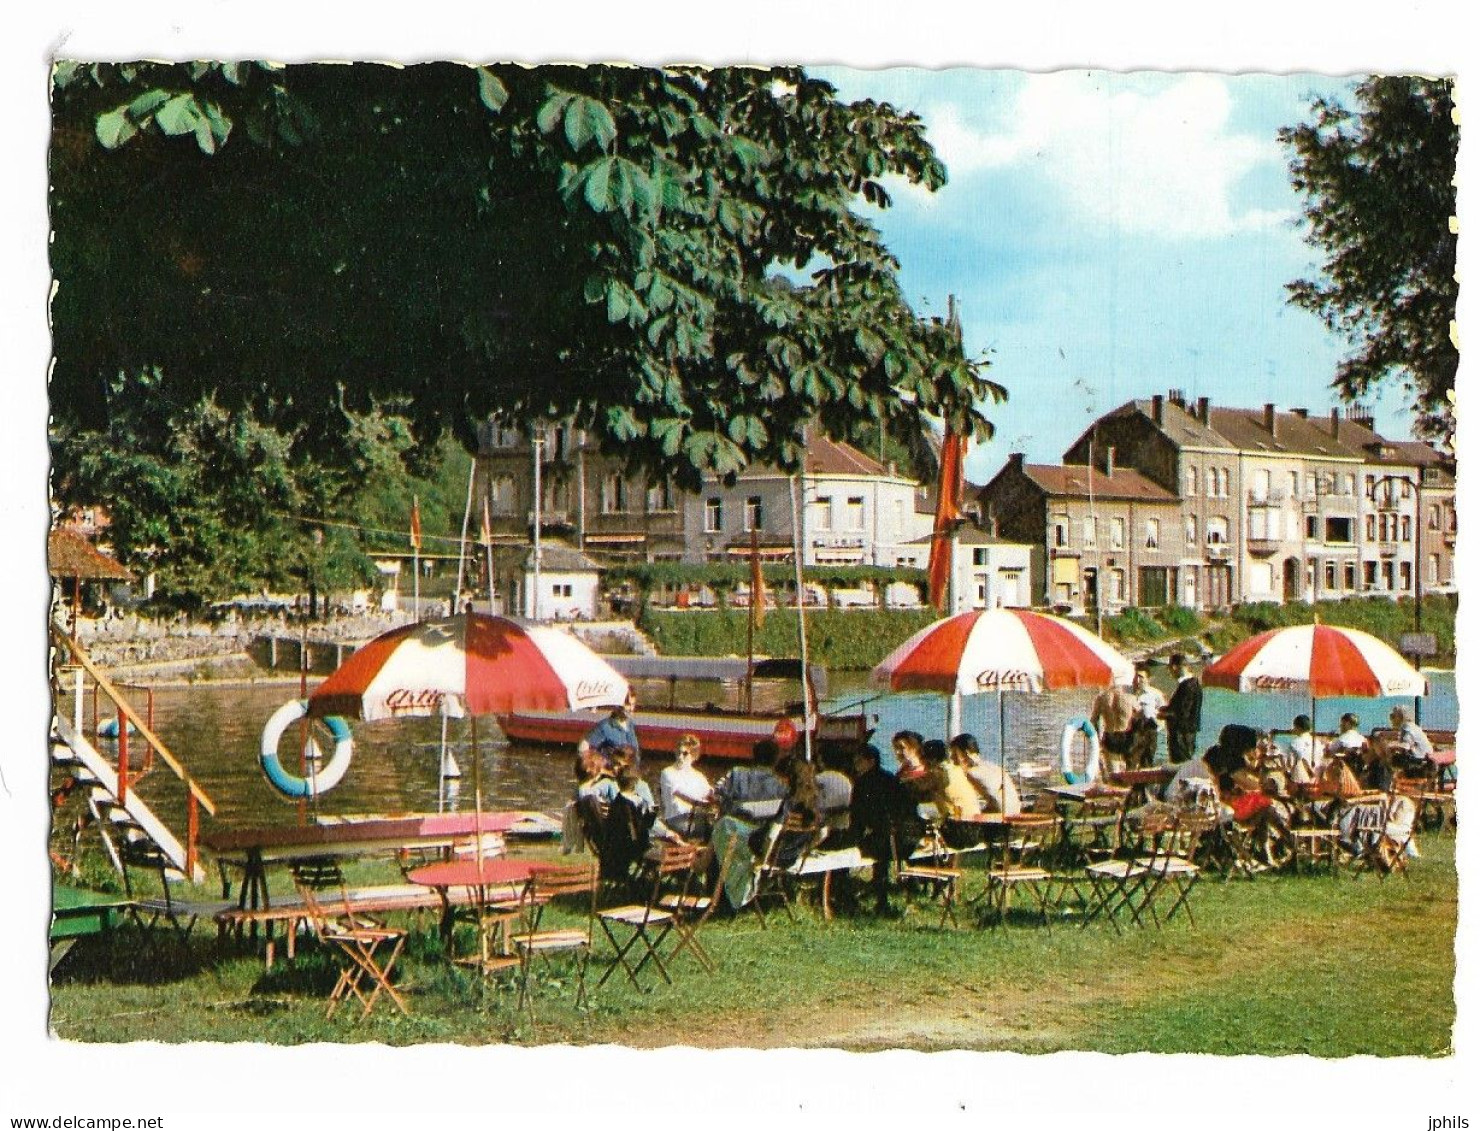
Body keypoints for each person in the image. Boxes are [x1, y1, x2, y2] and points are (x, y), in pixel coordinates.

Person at [846, 743, 916, 914]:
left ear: (871, 761)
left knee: (865, 849)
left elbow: (858, 816)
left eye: (859, 761)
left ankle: (848, 894)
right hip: (905, 840)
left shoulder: (863, 783)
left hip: (883, 841)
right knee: (881, 851)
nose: (856, 765)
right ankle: (886, 897)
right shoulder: (891, 778)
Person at [949, 732, 1022, 817]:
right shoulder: (990, 766)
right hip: (1015, 811)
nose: (952, 758)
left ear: (966, 753)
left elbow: (993, 802)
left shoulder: (971, 773)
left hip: (1001, 816)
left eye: (954, 753)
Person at [657, 733, 714, 842]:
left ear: (694, 756)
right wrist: (701, 803)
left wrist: (714, 797)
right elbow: (682, 794)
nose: (680, 757)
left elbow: (710, 794)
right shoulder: (668, 772)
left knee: (718, 829)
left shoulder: (699, 776)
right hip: (677, 819)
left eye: (685, 754)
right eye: (678, 752)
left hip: (696, 818)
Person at [713, 737, 787, 817]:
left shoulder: (736, 774)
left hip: (731, 825)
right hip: (763, 827)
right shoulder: (781, 788)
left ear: (754, 755)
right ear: (776, 761)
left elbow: (716, 792)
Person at [578, 689, 641, 767]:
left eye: (633, 704)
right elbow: (584, 746)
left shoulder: (630, 725)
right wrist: (596, 768)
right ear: (617, 704)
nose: (631, 709)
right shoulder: (605, 726)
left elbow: (635, 753)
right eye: (628, 704)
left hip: (629, 775)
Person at [1161, 653, 1203, 765]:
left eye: (1170, 669)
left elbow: (1183, 712)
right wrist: (1166, 709)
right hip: (1187, 731)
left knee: (1181, 763)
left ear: (1174, 667)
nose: (1170, 672)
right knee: (1183, 762)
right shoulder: (1192, 684)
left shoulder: (1188, 685)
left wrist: (1163, 714)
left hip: (1182, 733)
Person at [1090, 680, 1138, 763]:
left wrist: (1097, 743)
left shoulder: (1101, 698)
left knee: (1113, 773)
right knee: (1130, 772)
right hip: (1127, 736)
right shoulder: (1131, 698)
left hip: (1110, 736)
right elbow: (1141, 719)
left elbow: (1093, 721)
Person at [1381, 706, 1434, 774]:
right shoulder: (1411, 726)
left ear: (1400, 717)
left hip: (1419, 758)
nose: (1391, 719)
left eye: (1393, 716)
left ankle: (1388, 779)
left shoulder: (1407, 727)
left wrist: (1389, 745)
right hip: (1424, 756)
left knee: (1387, 759)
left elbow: (1406, 745)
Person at [1282, 714, 1324, 784]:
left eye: (1294, 726)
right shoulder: (1317, 742)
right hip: (1315, 780)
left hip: (1299, 781)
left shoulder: (1295, 743)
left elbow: (1289, 764)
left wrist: (1286, 774)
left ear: (1298, 727)